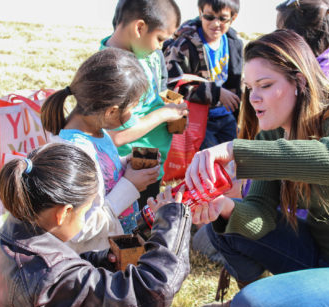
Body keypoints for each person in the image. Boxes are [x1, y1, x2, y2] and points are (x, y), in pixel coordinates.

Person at [186, 29, 329, 307]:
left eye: (265, 84)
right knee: (226, 229)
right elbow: (260, 215)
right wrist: (222, 206)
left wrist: (234, 150)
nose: (253, 98)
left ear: (299, 81)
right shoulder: (272, 135)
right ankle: (260, 301)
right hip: (319, 257)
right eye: (250, 87)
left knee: (253, 303)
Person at [0, 143, 191, 307]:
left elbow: (48, 269)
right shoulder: (54, 278)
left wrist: (99, 261)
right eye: (86, 211)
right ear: (63, 213)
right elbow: (150, 293)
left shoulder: (10, 234)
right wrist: (173, 218)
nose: (85, 218)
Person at [41, 48, 160, 253]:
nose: (132, 115)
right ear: (112, 111)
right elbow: (81, 227)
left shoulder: (96, 131)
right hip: (94, 259)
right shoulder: (74, 152)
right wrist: (130, 185)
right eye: (131, 107)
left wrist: (124, 163)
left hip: (111, 245)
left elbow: (99, 175)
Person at [101, 0, 188, 208]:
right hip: (126, 170)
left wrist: (172, 104)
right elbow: (115, 136)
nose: (161, 46)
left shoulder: (151, 54)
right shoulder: (111, 70)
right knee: (126, 230)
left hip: (153, 162)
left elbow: (159, 89)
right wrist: (164, 115)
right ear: (139, 28)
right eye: (159, 39)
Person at [163, 0, 243, 150]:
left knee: (231, 163)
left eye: (223, 18)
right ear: (200, 13)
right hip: (196, 121)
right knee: (206, 165)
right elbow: (169, 86)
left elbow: (234, 85)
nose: (216, 23)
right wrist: (216, 93)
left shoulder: (234, 43)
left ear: (234, 17)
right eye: (209, 17)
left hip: (225, 118)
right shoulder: (184, 45)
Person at [276, 0, 329, 97]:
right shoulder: (325, 65)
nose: (278, 39)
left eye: (281, 32)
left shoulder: (318, 80)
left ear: (299, 37)